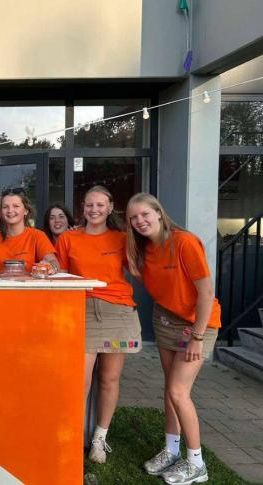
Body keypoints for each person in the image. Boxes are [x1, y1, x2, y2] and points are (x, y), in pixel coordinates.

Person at [126, 193, 220, 485]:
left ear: (158, 212)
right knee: (170, 389)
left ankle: (196, 463)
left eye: (145, 214)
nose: (140, 221)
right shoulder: (142, 250)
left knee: (179, 392)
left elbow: (206, 292)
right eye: (133, 218)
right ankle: (171, 450)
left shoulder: (184, 242)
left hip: (198, 323)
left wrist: (197, 337)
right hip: (166, 320)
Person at [54, 186, 141, 464]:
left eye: (100, 205)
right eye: (89, 205)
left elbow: (138, 270)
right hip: (83, 310)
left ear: (110, 207)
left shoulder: (122, 238)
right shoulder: (68, 238)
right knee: (80, 381)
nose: (94, 210)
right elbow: (59, 276)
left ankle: (99, 439)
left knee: (109, 379)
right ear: (83, 207)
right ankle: (73, 437)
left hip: (118, 311)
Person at [0, 188, 58, 276]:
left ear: (26, 211)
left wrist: (51, 267)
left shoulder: (37, 236)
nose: (10, 210)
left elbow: (53, 261)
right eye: (5, 207)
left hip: (28, 284)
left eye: (16, 206)